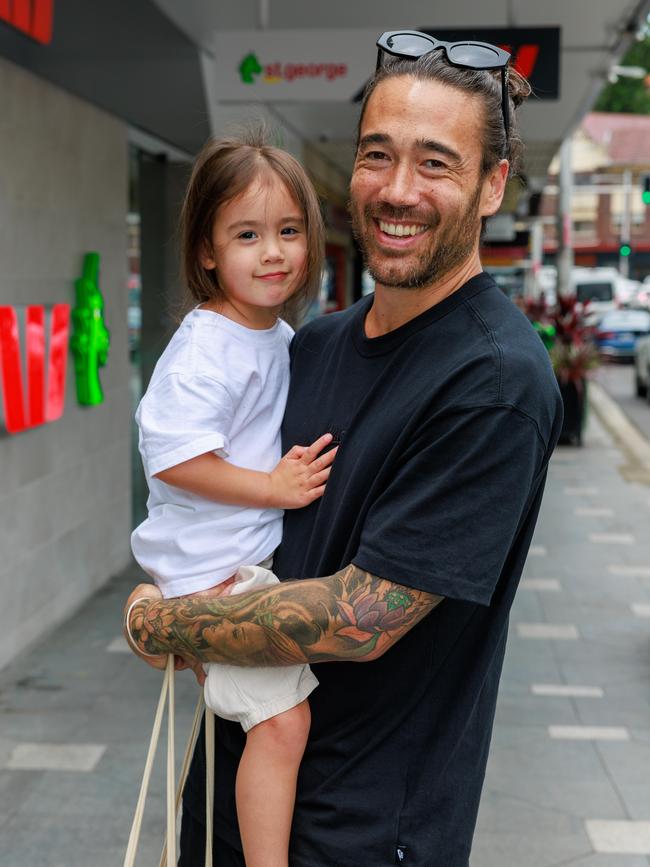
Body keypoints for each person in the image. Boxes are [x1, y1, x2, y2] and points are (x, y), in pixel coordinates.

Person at [125, 31, 564, 867]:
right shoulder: (309, 346)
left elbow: (359, 621)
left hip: (362, 835)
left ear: (492, 185)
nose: (398, 190)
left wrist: (161, 618)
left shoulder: (493, 380)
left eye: (435, 163)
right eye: (377, 154)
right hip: (225, 800)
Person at [128, 135, 336, 867]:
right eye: (247, 234)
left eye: (288, 231)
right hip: (217, 573)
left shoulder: (275, 334)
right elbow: (175, 456)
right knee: (282, 724)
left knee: (274, 720)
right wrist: (271, 487)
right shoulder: (207, 346)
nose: (272, 252)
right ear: (208, 251)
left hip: (233, 564)